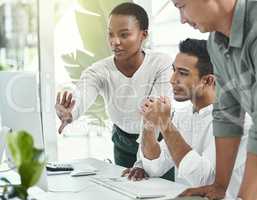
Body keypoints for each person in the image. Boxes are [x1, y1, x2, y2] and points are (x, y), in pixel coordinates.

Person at [55, 2, 172, 169]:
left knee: (161, 192)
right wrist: (70, 112)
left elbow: (153, 115)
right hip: (122, 141)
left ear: (143, 35)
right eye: (110, 34)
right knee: (124, 191)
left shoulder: (161, 63)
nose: (115, 42)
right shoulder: (99, 70)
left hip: (157, 140)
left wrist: (141, 162)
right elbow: (83, 92)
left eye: (124, 35)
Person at [140, 38, 249, 199]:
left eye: (182, 73)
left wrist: (165, 124)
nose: (172, 79)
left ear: (208, 80)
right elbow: (154, 167)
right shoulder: (184, 115)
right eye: (174, 70)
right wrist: (148, 124)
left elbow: (206, 181)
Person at [170, 0, 257, 199]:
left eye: (181, 6)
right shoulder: (216, 44)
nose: (182, 19)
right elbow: (227, 114)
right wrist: (219, 186)